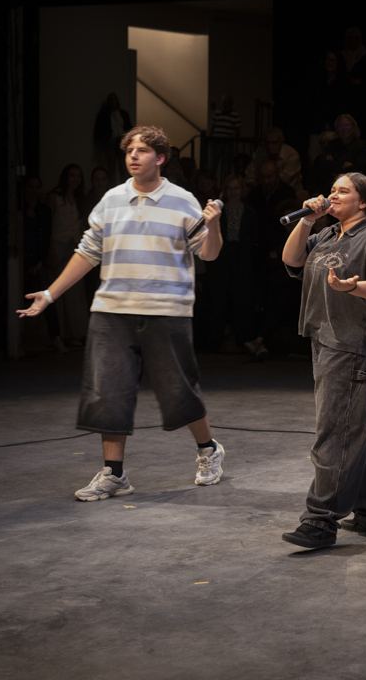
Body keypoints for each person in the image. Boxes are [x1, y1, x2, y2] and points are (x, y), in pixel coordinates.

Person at [17, 125, 226, 499]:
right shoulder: (111, 199)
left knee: (178, 390)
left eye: (142, 150)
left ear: (160, 158)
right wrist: (49, 294)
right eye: (129, 150)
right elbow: (87, 252)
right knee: (108, 392)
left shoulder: (182, 201)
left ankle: (208, 449)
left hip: (166, 310)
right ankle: (114, 474)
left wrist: (213, 226)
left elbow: (208, 253)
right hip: (111, 311)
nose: (133, 156)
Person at [279, 172, 366, 549]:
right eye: (331, 189)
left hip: (354, 344)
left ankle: (321, 520)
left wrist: (354, 287)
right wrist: (307, 220)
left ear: (362, 201)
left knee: (337, 431)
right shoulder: (328, 234)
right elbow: (292, 259)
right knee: (354, 425)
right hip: (326, 338)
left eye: (342, 191)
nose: (332, 195)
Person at [201, 174, 266, 360]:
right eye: (230, 188)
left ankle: (244, 341)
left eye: (236, 188)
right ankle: (213, 342)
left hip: (242, 256)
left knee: (241, 299)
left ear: (242, 190)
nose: (233, 192)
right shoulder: (220, 211)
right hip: (222, 255)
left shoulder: (249, 211)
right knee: (219, 298)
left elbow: (253, 235)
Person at [21, 175, 66, 353]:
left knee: (47, 296)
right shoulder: (19, 209)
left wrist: (40, 262)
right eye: (31, 187)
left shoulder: (44, 211)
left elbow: (46, 237)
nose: (34, 190)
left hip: (38, 259)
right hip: (20, 259)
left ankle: (55, 337)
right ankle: (21, 340)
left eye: (37, 187)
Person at [47, 163, 89, 345]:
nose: (75, 179)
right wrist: (50, 250)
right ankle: (60, 334)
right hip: (58, 244)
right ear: (66, 176)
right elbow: (48, 224)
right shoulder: (55, 197)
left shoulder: (80, 199)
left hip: (75, 246)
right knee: (58, 289)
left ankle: (77, 333)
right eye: (72, 175)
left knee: (75, 291)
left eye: (78, 176)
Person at [245, 127, 304, 193]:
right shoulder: (259, 154)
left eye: (274, 143)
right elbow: (250, 176)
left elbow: (284, 180)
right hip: (260, 190)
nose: (270, 146)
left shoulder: (291, 155)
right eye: (268, 143)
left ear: (281, 143)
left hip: (289, 191)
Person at [93, 93, 133, 181]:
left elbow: (129, 127)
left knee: (123, 166)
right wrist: (104, 141)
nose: (113, 102)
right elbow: (98, 130)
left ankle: (124, 184)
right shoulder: (104, 115)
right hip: (111, 142)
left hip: (122, 141)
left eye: (114, 99)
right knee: (111, 167)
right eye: (111, 100)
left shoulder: (123, 113)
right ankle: (112, 185)